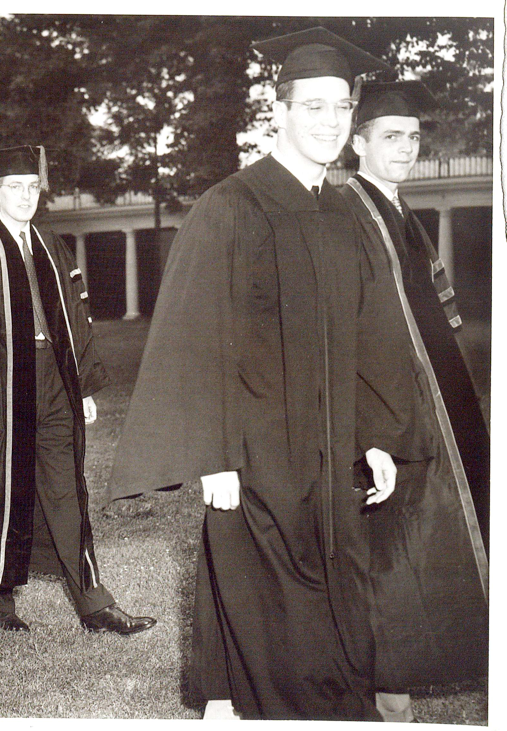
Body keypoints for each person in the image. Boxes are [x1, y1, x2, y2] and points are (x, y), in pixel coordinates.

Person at [108, 28, 431, 721]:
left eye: (340, 107)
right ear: (276, 111)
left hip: (331, 449)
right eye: (311, 106)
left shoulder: (346, 212)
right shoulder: (231, 207)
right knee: (273, 603)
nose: (328, 121)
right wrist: (212, 455)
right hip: (253, 453)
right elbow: (192, 338)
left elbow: (374, 335)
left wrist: (376, 433)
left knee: (331, 594)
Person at [0, 146, 156, 638]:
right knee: (2, 489)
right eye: (14, 187)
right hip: (2, 385)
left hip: (55, 381)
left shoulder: (51, 246)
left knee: (66, 490)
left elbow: (77, 320)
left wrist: (81, 384)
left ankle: (93, 602)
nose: (24, 196)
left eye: (32, 187)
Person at [339, 80, 489, 722]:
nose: (405, 148)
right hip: (387, 406)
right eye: (390, 137)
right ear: (358, 142)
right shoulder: (345, 212)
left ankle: (434, 663)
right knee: (393, 550)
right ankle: (387, 692)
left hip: (439, 402)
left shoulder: (401, 212)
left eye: (413, 138)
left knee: (440, 540)